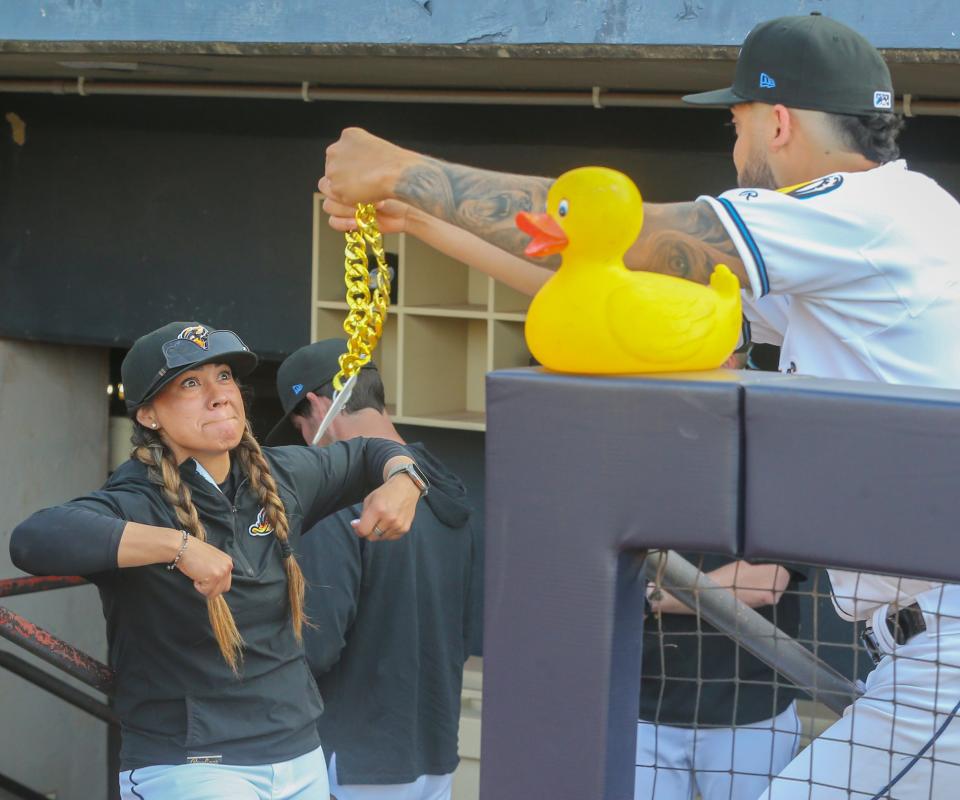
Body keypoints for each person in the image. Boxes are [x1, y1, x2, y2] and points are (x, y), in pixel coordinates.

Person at [318, 13, 960, 798]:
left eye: (738, 121)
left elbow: (627, 234)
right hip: (916, 636)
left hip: (947, 641)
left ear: (779, 121)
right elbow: (606, 290)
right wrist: (421, 220)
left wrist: (400, 169)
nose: (736, 144)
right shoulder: (883, 229)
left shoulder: (859, 215)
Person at [9, 321, 427, 800]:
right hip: (194, 767)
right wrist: (178, 547)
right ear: (148, 415)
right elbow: (32, 540)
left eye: (224, 376)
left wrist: (404, 481)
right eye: (190, 383)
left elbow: (373, 450)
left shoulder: (281, 473)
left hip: (299, 755)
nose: (218, 394)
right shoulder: (133, 497)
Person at [265, 339, 476, 800]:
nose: (304, 439)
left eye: (301, 423)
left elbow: (315, 645)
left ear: (320, 405)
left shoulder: (339, 494)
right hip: (434, 757)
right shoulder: (445, 482)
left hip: (356, 760)